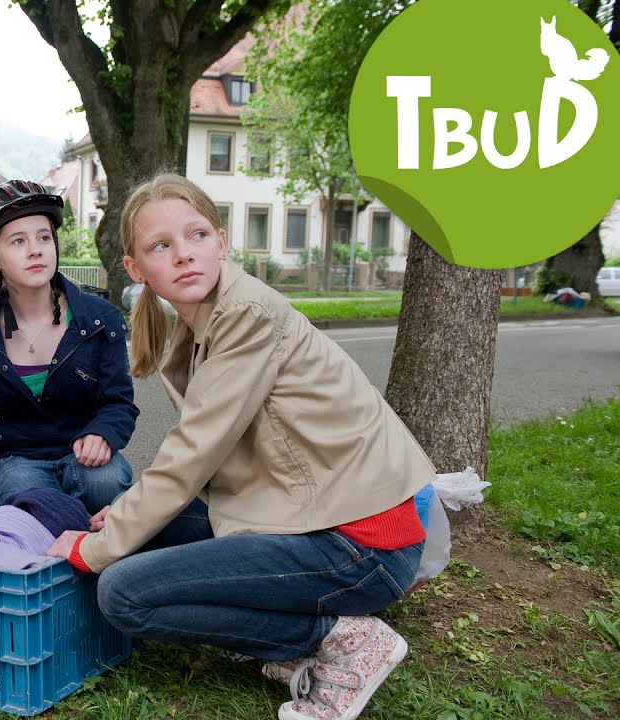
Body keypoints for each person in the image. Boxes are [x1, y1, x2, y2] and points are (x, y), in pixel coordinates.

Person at [46, 174, 433, 720]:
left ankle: (343, 640)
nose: (184, 255)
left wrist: (94, 549)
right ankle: (295, 643)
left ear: (222, 242)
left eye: (197, 235)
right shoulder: (200, 319)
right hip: (306, 515)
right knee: (148, 532)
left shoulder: (246, 312)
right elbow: (216, 453)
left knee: (124, 592)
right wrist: (128, 518)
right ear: (135, 269)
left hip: (360, 547)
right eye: (161, 246)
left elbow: (192, 454)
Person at [0, 180, 139, 515]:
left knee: (102, 481)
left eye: (44, 237)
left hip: (85, 456)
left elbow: (118, 403)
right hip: (19, 462)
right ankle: (71, 550)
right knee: (29, 501)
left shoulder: (99, 319)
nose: (36, 249)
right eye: (18, 241)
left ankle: (101, 548)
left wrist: (103, 434)